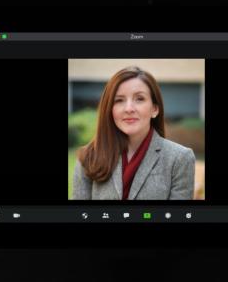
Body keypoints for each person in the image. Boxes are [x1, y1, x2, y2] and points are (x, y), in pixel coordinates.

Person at [72, 66, 196, 200]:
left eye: (139, 99)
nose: (129, 108)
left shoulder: (179, 159)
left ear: (154, 109)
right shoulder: (88, 157)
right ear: (109, 109)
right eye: (119, 100)